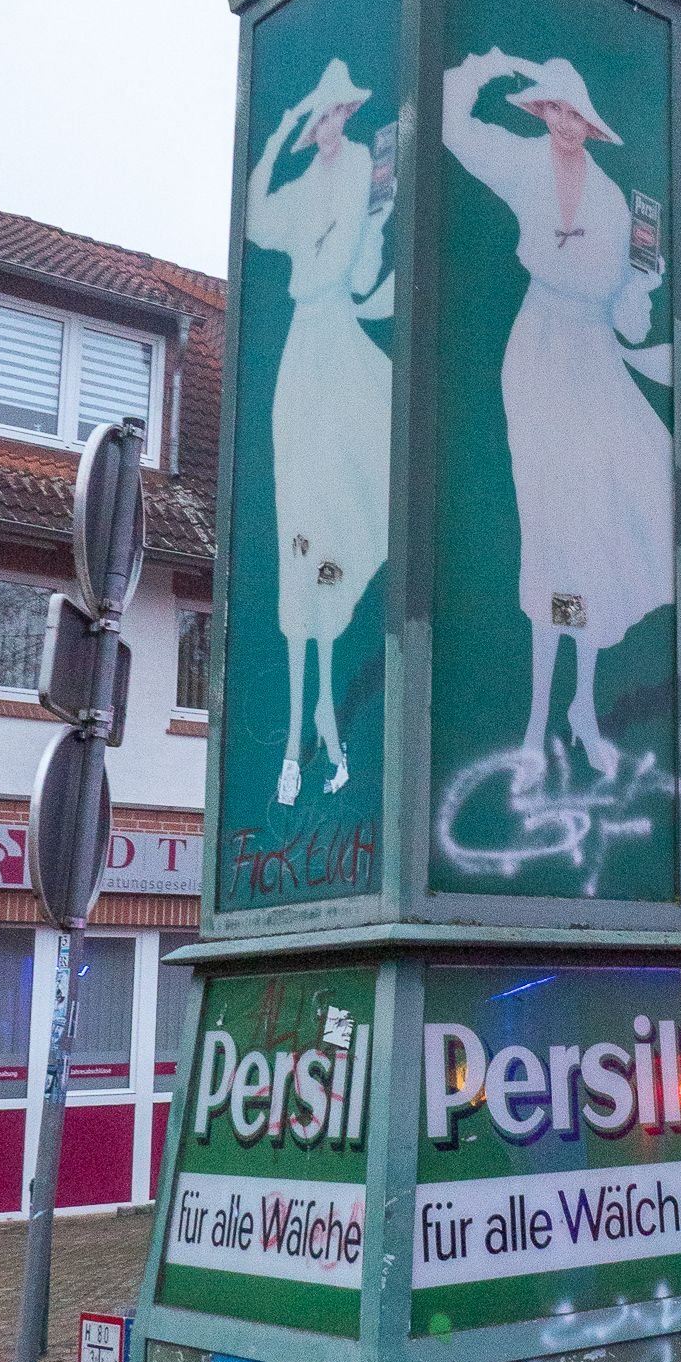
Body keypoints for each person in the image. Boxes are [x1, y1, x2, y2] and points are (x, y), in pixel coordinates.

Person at [441, 48, 672, 795]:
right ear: (544, 113)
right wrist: (488, 65)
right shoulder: (520, 161)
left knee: (610, 512)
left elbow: (631, 304)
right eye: (557, 110)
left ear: (589, 124)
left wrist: (641, 291)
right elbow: (449, 124)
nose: (567, 124)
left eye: (577, 114)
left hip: (593, 355)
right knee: (550, 530)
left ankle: (581, 706)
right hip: (539, 351)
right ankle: (538, 725)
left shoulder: (617, 204)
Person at [244, 55, 394, 810]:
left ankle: (327, 728)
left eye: (339, 113)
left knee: (339, 519)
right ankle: (305, 734)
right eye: (323, 116)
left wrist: (371, 218)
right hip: (306, 350)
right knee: (299, 527)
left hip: (337, 339)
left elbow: (351, 264)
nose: (333, 125)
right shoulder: (305, 184)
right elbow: (258, 219)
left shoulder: (363, 167)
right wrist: (276, 131)